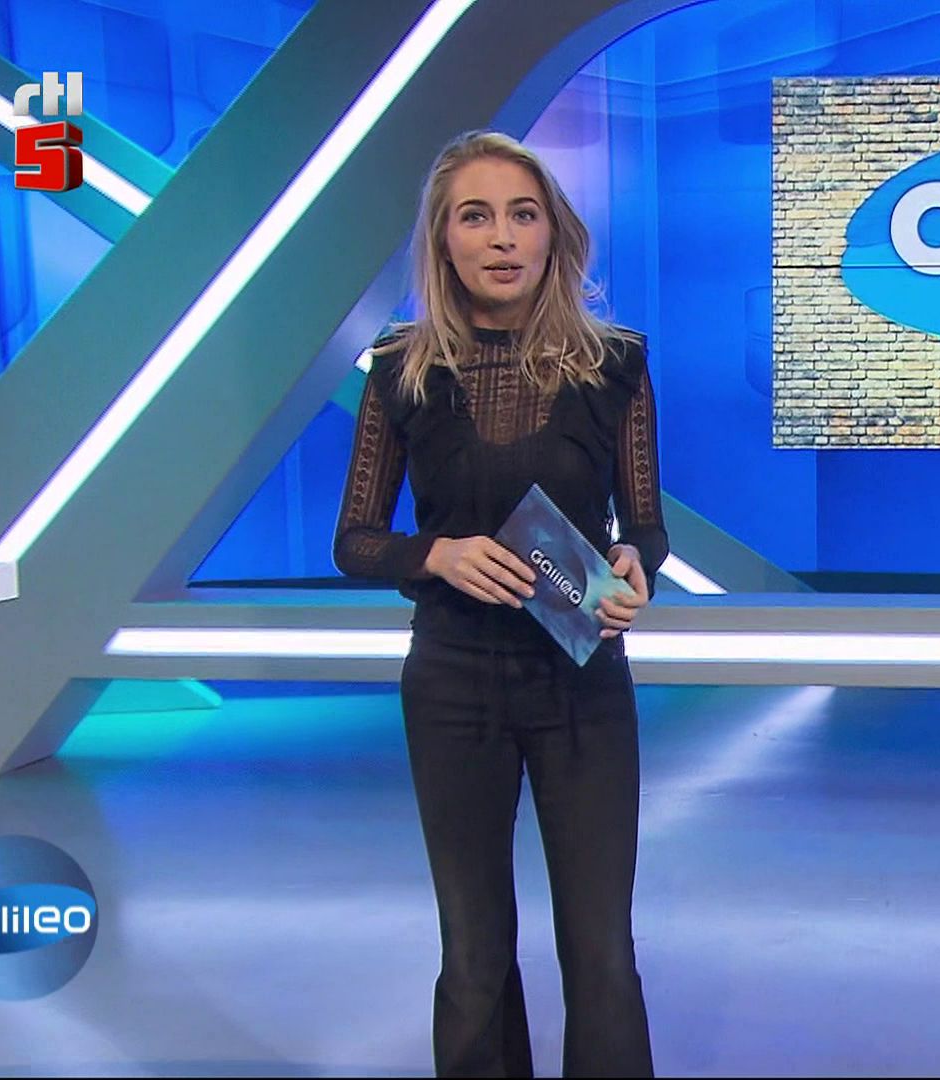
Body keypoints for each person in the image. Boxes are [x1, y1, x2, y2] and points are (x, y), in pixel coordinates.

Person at [332, 129, 664, 1078]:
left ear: (554, 233)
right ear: (443, 241)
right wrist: (432, 554)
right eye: (475, 217)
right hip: (453, 684)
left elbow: (645, 522)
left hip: (581, 682)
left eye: (523, 214)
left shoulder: (615, 363)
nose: (503, 237)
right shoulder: (400, 369)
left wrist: (634, 562)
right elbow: (354, 540)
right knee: (474, 954)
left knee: (601, 952)